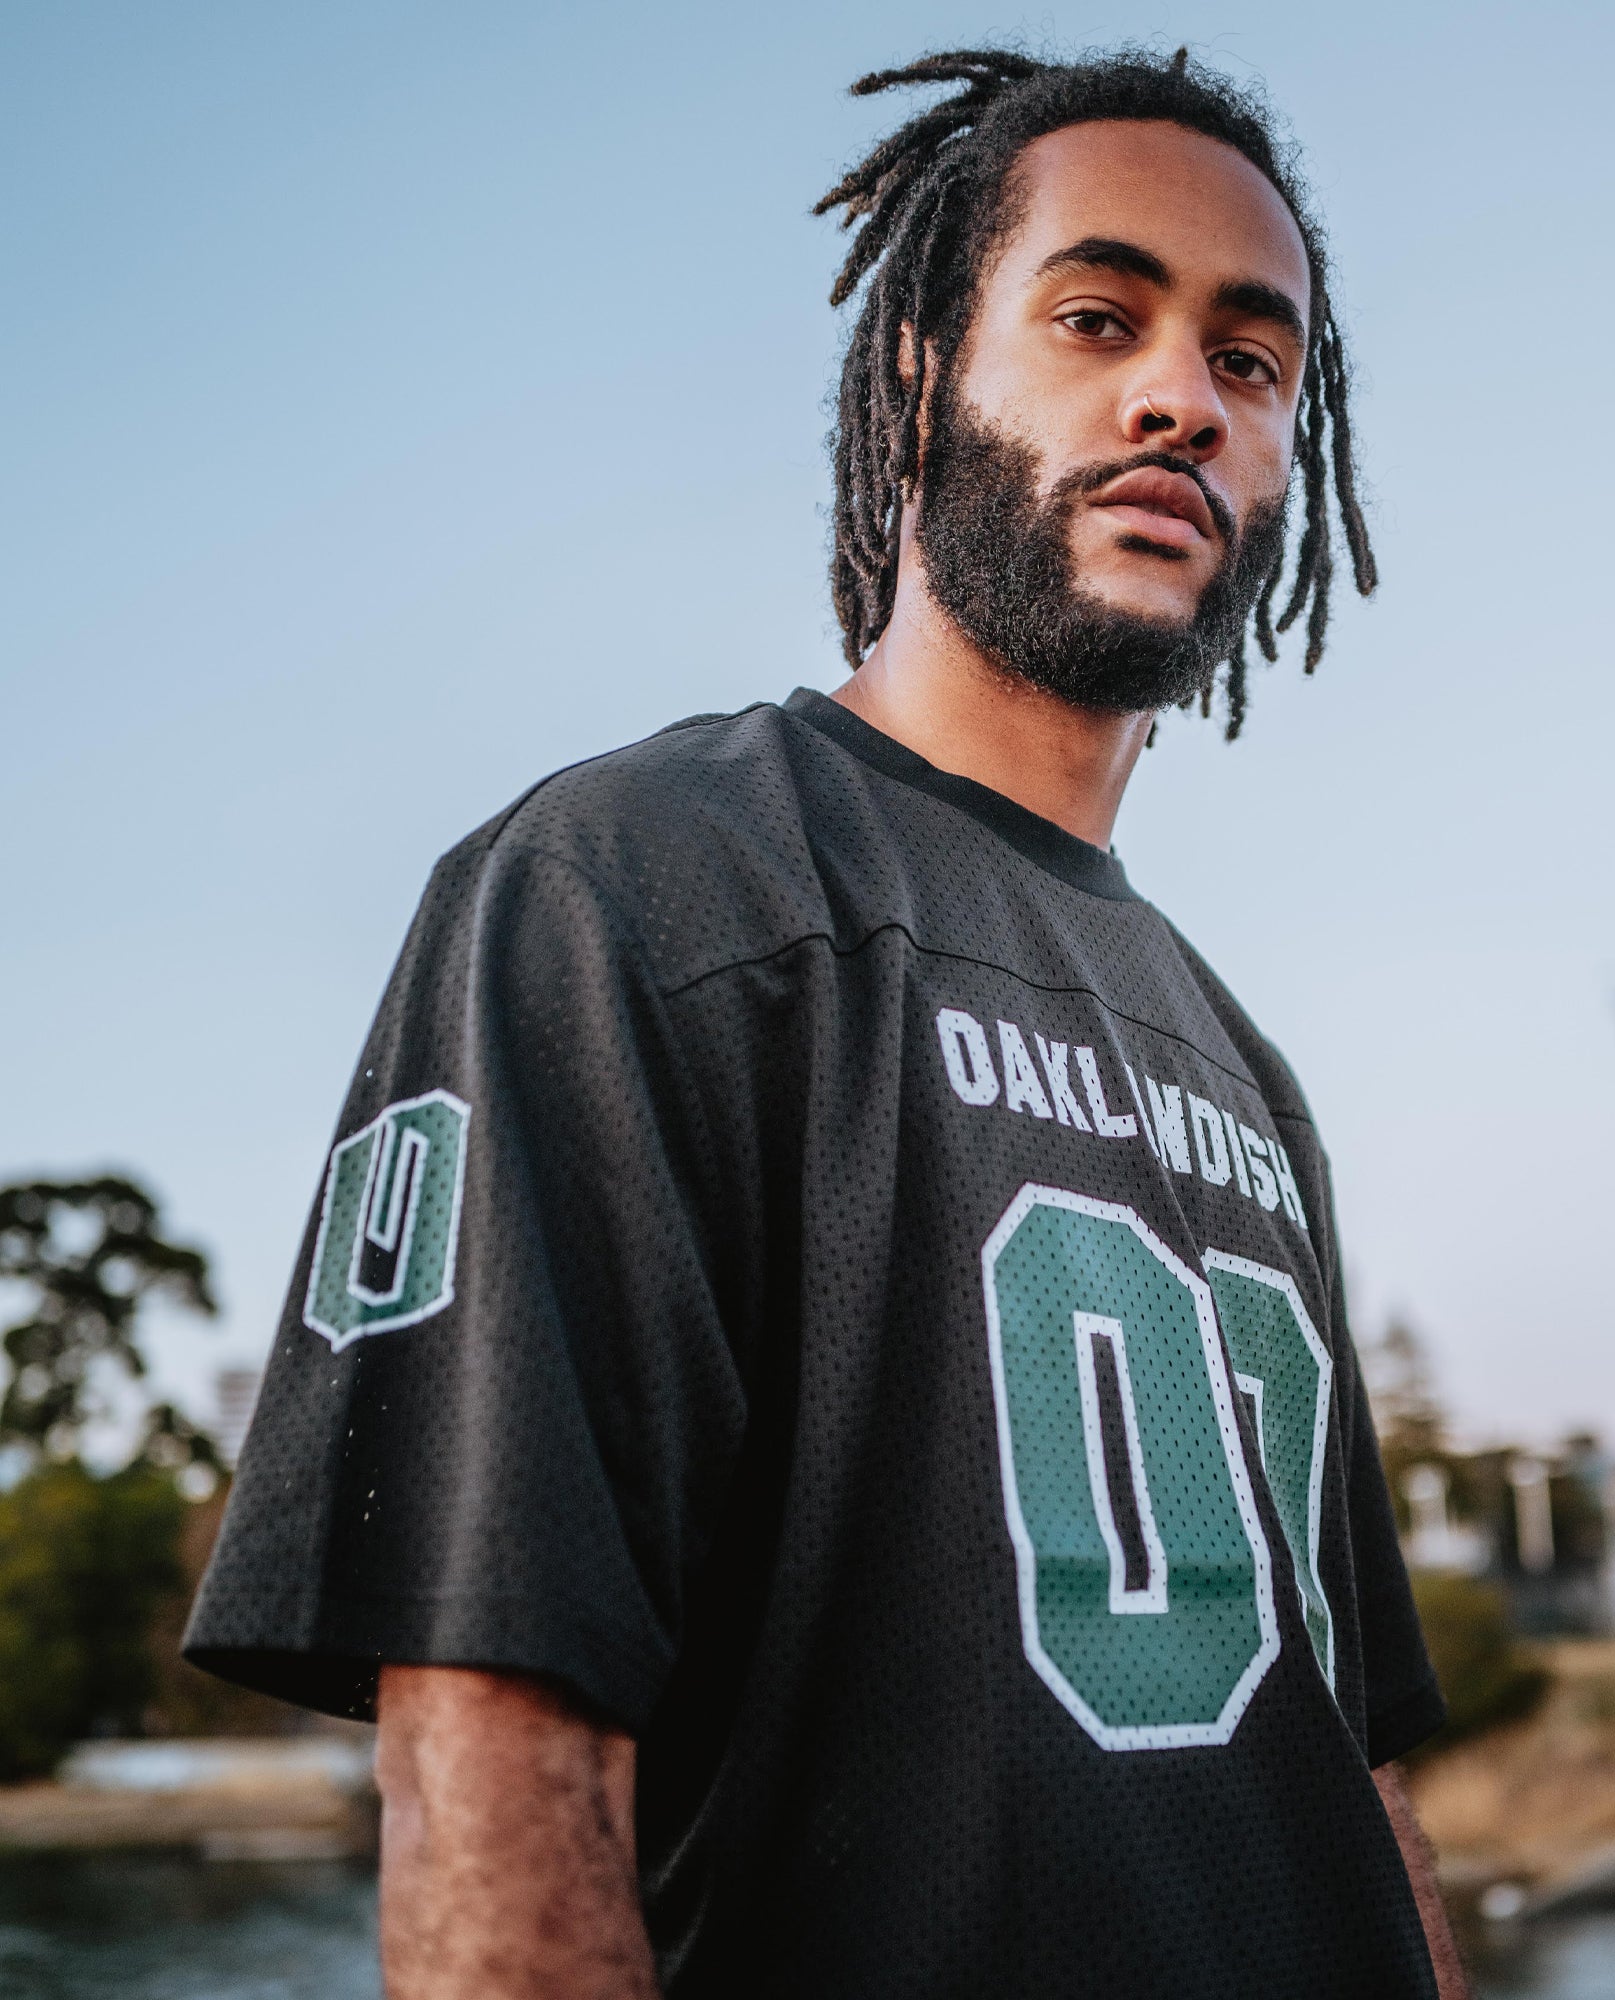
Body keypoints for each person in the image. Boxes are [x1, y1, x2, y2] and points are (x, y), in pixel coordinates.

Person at [186, 47, 1469, 1999]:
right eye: (1097, 315)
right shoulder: (633, 888)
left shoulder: (1238, 1058)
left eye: (1251, 359)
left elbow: (1348, 1775)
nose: (1178, 399)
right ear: (916, 375)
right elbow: (497, 1768)